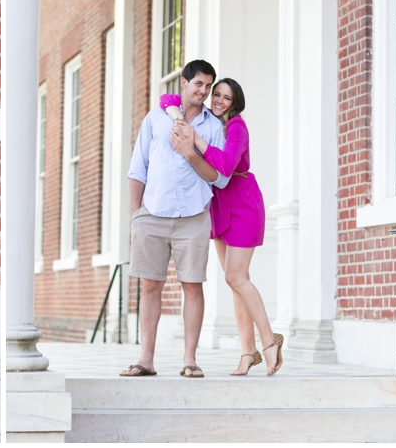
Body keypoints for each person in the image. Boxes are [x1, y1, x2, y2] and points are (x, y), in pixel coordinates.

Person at [164, 79, 284, 375]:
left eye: (225, 97)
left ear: (235, 102)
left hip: (242, 202)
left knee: (236, 277)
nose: (217, 100)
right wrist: (178, 117)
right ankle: (247, 352)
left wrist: (194, 140)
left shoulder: (237, 127)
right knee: (234, 282)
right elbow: (167, 97)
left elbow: (227, 166)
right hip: (219, 204)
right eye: (215, 94)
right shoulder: (210, 120)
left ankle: (270, 341)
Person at [120, 60, 230, 379]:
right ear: (184, 83)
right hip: (151, 215)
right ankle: (146, 359)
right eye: (199, 84)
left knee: (192, 286)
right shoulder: (155, 119)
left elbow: (219, 177)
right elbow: (137, 168)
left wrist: (190, 152)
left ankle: (190, 359)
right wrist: (136, 215)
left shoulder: (212, 127)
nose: (204, 91)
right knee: (150, 286)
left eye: (209, 86)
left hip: (194, 216)